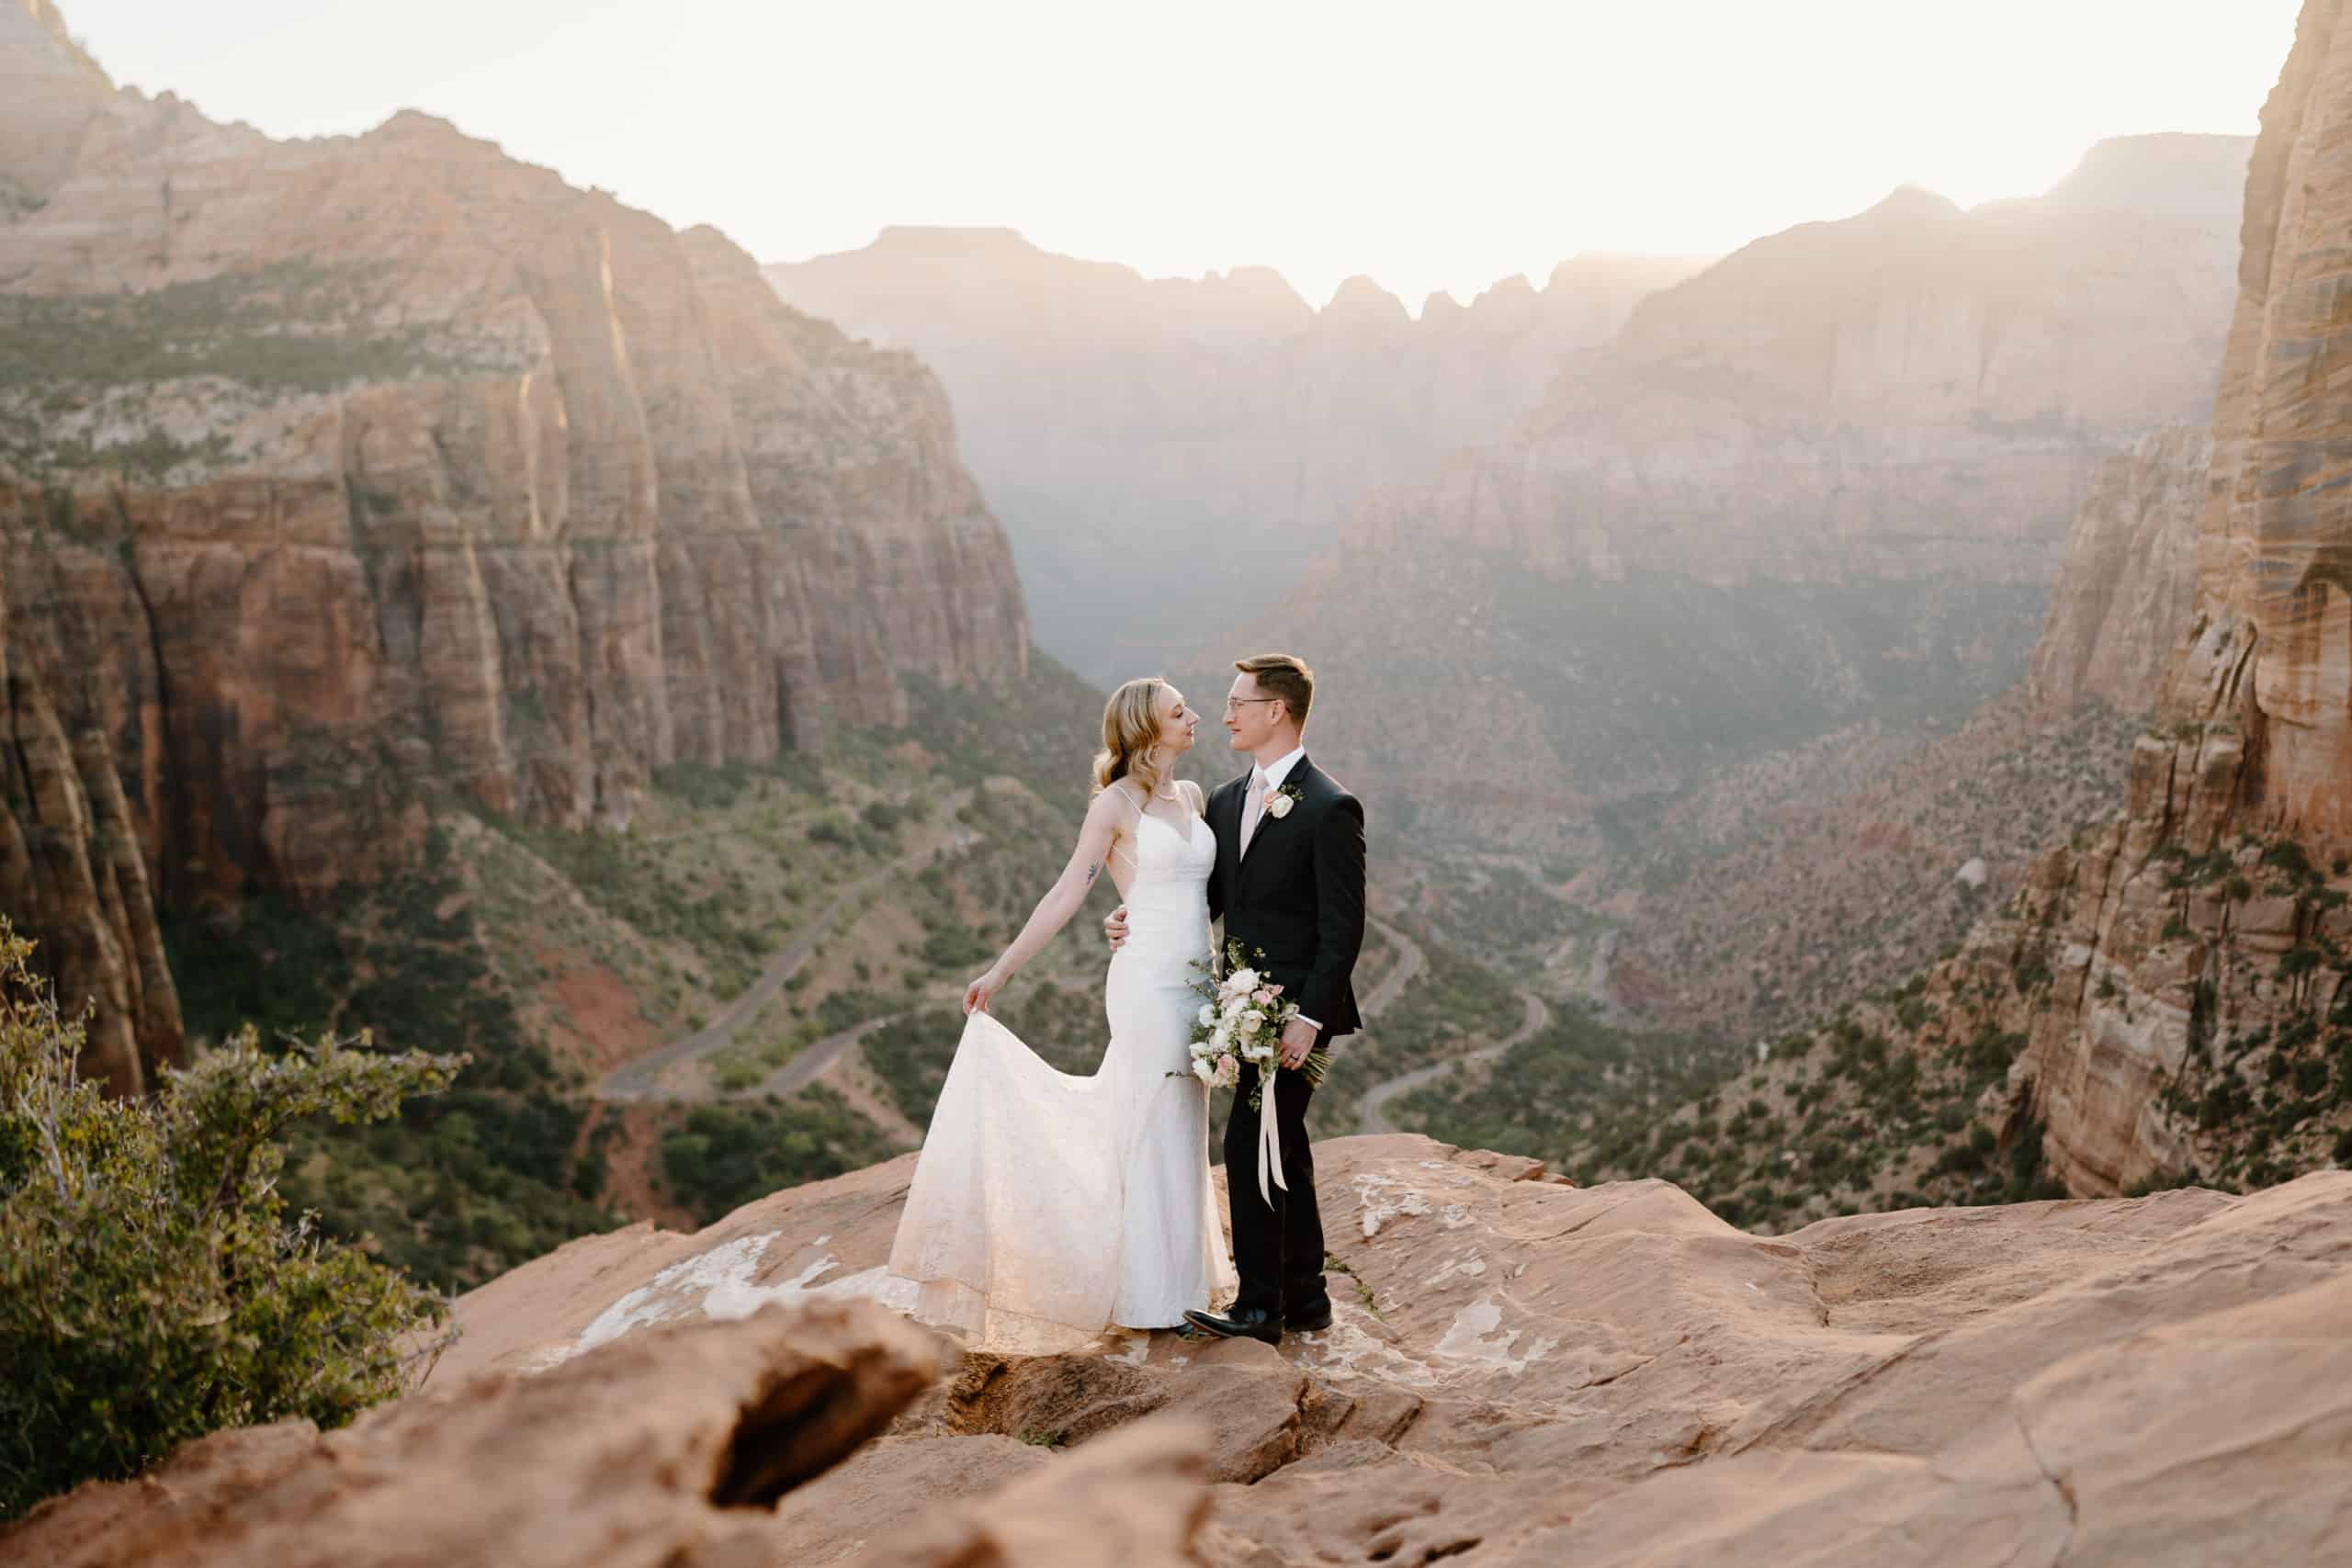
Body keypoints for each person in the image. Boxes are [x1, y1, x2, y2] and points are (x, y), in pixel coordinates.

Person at [885, 677, 1237, 1348]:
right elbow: (1063, 894)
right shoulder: (1114, 804)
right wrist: (1001, 969)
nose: (1195, 717)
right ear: (1145, 728)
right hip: (1145, 987)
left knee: (1184, 1122)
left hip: (1198, 983)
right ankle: (1151, 1295)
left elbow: (1202, 893)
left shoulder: (1191, 797)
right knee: (1151, 1121)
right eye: (1179, 711)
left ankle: (1184, 1285)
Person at [1107, 653, 1366, 1346]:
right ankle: (1306, 1296)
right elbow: (1211, 901)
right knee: (1284, 1145)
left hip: (1300, 1016)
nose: (1225, 715)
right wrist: (1135, 915)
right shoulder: (1222, 799)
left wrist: (1310, 1017)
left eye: (1238, 703)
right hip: (1240, 1010)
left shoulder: (1330, 806)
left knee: (1250, 1142)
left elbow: (1344, 926)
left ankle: (1259, 1308)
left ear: (1275, 710)